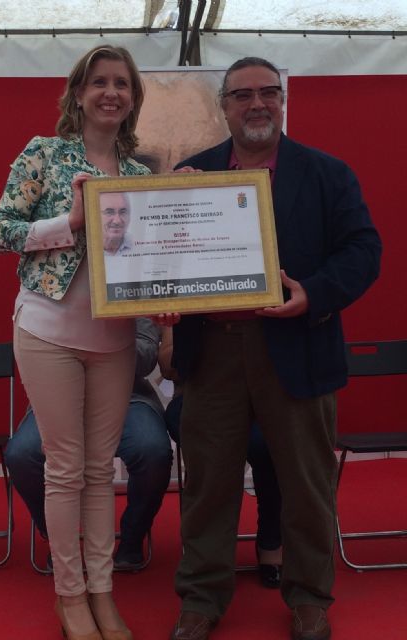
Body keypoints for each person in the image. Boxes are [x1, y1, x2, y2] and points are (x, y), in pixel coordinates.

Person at [168, 57, 382, 640]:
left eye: (269, 93)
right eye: (243, 95)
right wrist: (161, 293)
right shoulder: (192, 176)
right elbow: (168, 259)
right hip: (212, 352)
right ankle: (201, 598)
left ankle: (311, 596)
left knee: (308, 484)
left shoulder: (326, 174)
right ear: (225, 106)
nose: (257, 104)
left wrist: (312, 294)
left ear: (283, 100)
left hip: (298, 347)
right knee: (208, 483)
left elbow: (364, 251)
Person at [0, 45, 151, 640]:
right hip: (47, 330)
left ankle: (103, 591)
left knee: (100, 470)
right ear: (78, 92)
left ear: (133, 99)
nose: (112, 92)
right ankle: (70, 594)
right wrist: (72, 223)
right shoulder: (44, 153)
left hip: (113, 338)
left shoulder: (141, 175)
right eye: (100, 82)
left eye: (123, 85)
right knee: (64, 469)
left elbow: (150, 259)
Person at [5, 317, 173, 572]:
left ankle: (132, 538)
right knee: (21, 455)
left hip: (129, 397)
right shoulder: (53, 287)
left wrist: (100, 342)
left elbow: (148, 355)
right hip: (60, 398)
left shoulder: (124, 281)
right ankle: (61, 541)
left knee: (153, 451)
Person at [158, 326, 282, 588]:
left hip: (258, 397)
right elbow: (168, 366)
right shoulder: (183, 293)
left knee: (266, 443)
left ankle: (271, 542)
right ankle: (206, 558)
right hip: (198, 395)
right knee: (208, 444)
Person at [101, 191, 133, 256]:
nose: (117, 221)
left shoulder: (137, 244)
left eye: (123, 212)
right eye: (109, 212)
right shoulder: (88, 247)